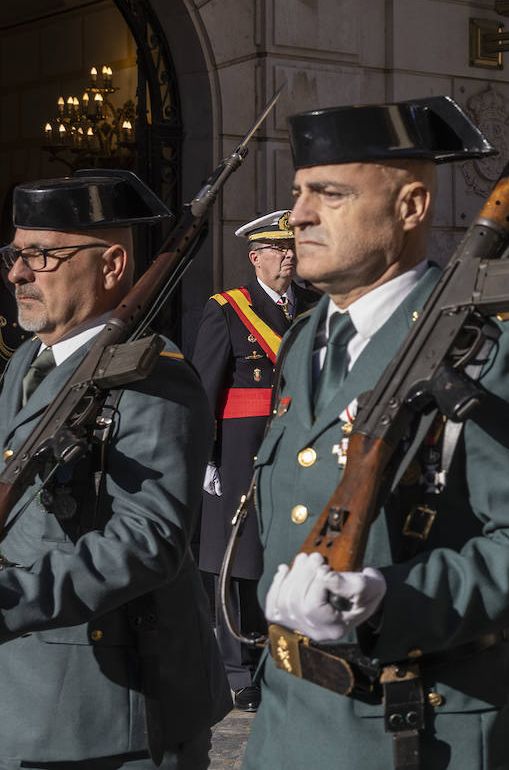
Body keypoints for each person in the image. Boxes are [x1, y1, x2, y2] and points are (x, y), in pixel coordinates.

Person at [242, 97, 509, 770]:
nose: (298, 216)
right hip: (288, 722)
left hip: (413, 730)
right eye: (298, 194)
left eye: (329, 194)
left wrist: (389, 599)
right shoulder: (306, 341)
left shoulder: (488, 350)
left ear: (410, 208)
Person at [0, 170, 232, 768]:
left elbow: (147, 541)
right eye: (15, 254)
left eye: (41, 255)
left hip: (107, 704)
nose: (15, 273)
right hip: (12, 683)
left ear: (112, 266)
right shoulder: (27, 364)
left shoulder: (151, 377)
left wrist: (1, 595)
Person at [192, 209, 320, 712]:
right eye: (278, 249)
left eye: (292, 248)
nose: (288, 256)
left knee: (288, 550)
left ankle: (283, 656)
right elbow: (206, 386)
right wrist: (208, 455)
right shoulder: (228, 308)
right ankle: (238, 669)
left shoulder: (312, 306)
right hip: (242, 450)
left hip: (298, 444)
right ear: (255, 257)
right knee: (238, 560)